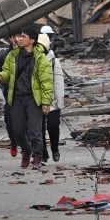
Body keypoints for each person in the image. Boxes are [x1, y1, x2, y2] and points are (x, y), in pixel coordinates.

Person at [0, 24, 54, 169]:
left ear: (32, 40)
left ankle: (37, 157)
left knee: (35, 131)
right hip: (17, 98)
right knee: (17, 131)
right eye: (20, 36)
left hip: (33, 99)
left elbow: (47, 82)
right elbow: (7, 72)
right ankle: (26, 151)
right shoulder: (12, 56)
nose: (19, 39)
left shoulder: (41, 59)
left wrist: (46, 102)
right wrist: (0, 76)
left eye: (23, 36)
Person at [38, 28, 66, 163]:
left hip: (52, 102)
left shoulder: (54, 61)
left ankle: (55, 149)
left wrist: (59, 102)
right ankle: (43, 153)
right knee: (39, 129)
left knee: (53, 127)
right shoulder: (33, 60)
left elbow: (59, 83)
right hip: (37, 101)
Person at [0, 36, 20, 157]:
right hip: (9, 92)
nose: (17, 39)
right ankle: (14, 142)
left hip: (27, 93)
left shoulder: (29, 54)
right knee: (9, 121)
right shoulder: (4, 55)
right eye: (15, 37)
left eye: (20, 36)